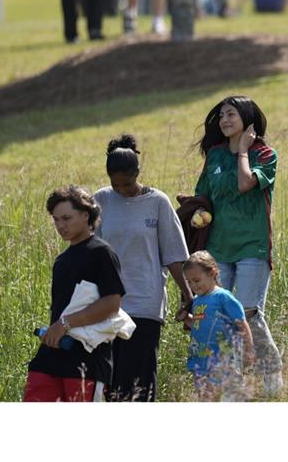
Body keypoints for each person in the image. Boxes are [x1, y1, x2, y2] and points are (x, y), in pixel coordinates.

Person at [193, 95, 283, 397]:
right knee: (221, 315)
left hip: (252, 247)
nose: (224, 120)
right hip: (219, 248)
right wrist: (195, 212)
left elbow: (246, 184)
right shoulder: (215, 155)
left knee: (247, 311)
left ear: (247, 119)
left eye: (231, 114)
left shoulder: (266, 154)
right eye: (221, 115)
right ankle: (232, 384)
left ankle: (270, 366)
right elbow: (202, 195)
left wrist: (243, 150)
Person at [94, 134, 192, 401]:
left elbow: (173, 254)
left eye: (127, 184)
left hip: (146, 301)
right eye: (116, 185)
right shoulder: (100, 200)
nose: (122, 190)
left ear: (137, 173)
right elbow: (90, 251)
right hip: (108, 303)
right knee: (109, 379)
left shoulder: (158, 202)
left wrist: (187, 294)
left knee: (141, 377)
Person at [24, 186, 126, 401]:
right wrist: (56, 329)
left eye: (67, 218)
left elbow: (111, 303)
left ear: (85, 215)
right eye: (56, 220)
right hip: (52, 355)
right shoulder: (61, 260)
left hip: (87, 361)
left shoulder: (102, 252)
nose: (61, 225)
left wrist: (65, 324)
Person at [181, 251, 255, 401]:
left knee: (226, 397)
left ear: (212, 273)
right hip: (201, 361)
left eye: (196, 280)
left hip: (224, 361)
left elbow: (241, 323)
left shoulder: (223, 297)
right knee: (205, 397)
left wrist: (249, 349)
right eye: (189, 282)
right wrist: (187, 319)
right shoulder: (197, 301)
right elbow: (199, 324)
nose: (193, 286)